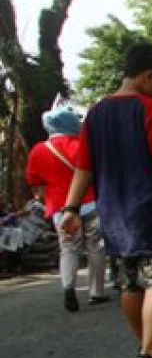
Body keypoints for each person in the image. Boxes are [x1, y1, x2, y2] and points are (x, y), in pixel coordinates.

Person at [60, 42, 152, 358]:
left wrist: (71, 208)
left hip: (114, 215)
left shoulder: (95, 113)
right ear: (148, 76)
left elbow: (83, 168)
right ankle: (149, 356)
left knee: (129, 283)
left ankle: (151, 348)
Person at [26, 104, 108, 311]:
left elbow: (33, 180)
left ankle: (68, 286)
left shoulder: (39, 150)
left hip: (59, 208)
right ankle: (97, 292)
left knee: (68, 249)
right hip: (90, 203)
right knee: (95, 247)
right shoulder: (82, 144)